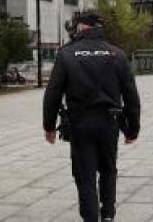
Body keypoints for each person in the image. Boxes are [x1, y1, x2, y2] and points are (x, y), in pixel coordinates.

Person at [43, 11, 141, 222]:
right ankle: (108, 215)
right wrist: (132, 129)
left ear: (80, 28)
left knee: (85, 176)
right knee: (108, 170)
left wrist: (49, 126)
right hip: (109, 123)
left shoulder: (66, 54)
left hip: (80, 124)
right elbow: (131, 94)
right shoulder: (117, 54)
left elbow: (52, 93)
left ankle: (91, 218)